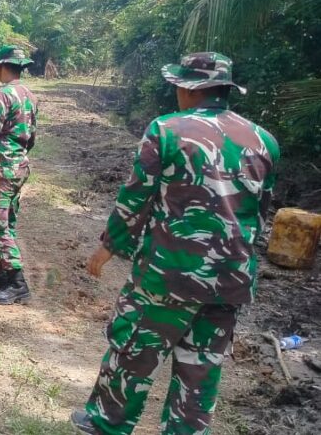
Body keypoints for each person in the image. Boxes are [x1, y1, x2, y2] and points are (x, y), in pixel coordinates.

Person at [71, 53, 279, 435]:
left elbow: (136, 198)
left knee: (133, 350)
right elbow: (259, 214)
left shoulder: (166, 130)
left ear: (188, 88)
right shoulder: (264, 140)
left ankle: (107, 422)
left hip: (169, 274)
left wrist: (110, 246)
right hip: (231, 278)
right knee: (201, 369)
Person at [0, 45, 39, 305]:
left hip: (2, 167)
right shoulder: (30, 95)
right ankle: (3, 272)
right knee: (9, 218)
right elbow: (32, 135)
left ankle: (16, 281)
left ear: (1, 67)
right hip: (20, 165)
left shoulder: (1, 95)